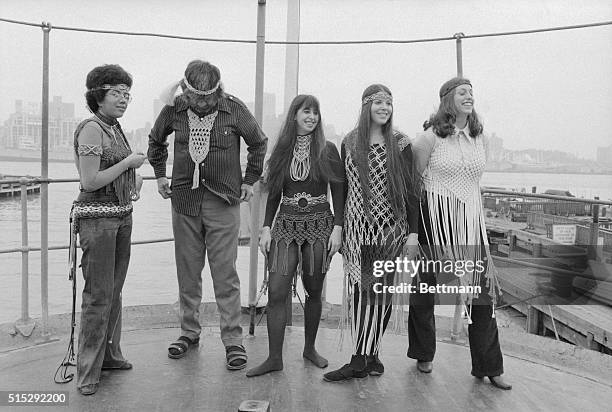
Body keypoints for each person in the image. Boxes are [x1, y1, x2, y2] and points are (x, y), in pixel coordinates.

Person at [148, 60, 267, 370]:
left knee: (225, 272)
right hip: (184, 200)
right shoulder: (173, 111)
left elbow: (259, 142)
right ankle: (189, 332)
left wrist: (249, 181)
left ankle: (232, 339)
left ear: (218, 91)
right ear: (186, 90)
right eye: (196, 97)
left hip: (223, 201)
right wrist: (160, 175)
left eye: (207, 98)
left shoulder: (234, 109)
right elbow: (155, 141)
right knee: (188, 270)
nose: (201, 103)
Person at [407, 77, 512, 390]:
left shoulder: (480, 138)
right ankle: (423, 352)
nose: (469, 96)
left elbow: (474, 180)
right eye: (462, 92)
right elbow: (414, 188)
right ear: (447, 100)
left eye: (471, 93)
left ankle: (489, 366)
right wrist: (413, 233)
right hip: (432, 221)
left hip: (469, 220)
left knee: (480, 295)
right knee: (425, 292)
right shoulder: (428, 139)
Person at [323, 84, 419, 382]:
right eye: (378, 102)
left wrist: (413, 234)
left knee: (376, 294)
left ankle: (358, 360)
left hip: (390, 228)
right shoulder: (349, 142)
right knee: (360, 293)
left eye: (389, 102)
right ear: (366, 106)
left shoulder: (401, 144)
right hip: (356, 228)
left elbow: (412, 191)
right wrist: (338, 226)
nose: (385, 107)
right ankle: (372, 357)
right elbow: (341, 189)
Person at [246, 95, 345, 377]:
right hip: (285, 226)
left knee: (314, 289)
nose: (312, 117)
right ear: (294, 116)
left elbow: (338, 191)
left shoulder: (328, 149)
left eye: (316, 112)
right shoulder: (281, 151)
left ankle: (310, 348)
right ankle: (274, 358)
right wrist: (266, 228)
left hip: (319, 226)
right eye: (306, 112)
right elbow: (274, 192)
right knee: (277, 290)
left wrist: (338, 227)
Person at [71, 64, 146, 395]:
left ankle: (110, 356)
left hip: (120, 217)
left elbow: (113, 176)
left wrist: (134, 179)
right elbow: (90, 181)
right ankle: (87, 371)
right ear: (98, 95)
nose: (124, 99)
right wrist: (128, 164)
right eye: (117, 93)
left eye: (127, 94)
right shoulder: (91, 129)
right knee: (98, 296)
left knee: (114, 292)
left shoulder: (114, 128)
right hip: (97, 222)